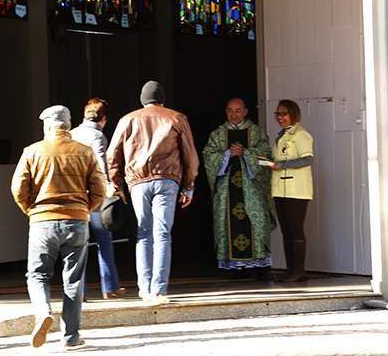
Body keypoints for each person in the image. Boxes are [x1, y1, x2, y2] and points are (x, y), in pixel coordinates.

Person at [11, 105, 106, 350]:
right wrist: (85, 208)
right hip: (77, 221)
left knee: (37, 275)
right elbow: (99, 188)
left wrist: (31, 210)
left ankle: (43, 311)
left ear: (47, 126)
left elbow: (18, 188)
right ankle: (71, 337)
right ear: (67, 125)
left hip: (43, 221)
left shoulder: (32, 151)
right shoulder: (84, 152)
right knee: (73, 280)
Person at [107, 80, 199, 304]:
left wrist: (117, 184)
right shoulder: (176, 118)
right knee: (163, 233)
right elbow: (191, 156)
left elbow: (112, 155)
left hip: (137, 182)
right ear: (163, 99)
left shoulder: (128, 119)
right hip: (167, 180)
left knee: (143, 233)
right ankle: (159, 290)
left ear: (142, 99)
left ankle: (144, 288)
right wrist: (188, 185)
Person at [202, 98, 276, 278]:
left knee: (256, 224)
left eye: (237, 110)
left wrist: (246, 153)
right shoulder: (218, 134)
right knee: (228, 223)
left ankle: (258, 266)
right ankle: (233, 267)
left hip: (252, 189)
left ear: (245, 111)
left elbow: (267, 159)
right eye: (229, 110)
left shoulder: (256, 133)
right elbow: (208, 157)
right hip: (227, 190)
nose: (233, 114)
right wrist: (227, 154)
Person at [71, 98, 127, 300]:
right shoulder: (98, 136)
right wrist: (110, 188)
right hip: (94, 196)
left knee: (79, 244)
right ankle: (109, 287)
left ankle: (80, 291)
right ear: (103, 119)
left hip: (76, 195)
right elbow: (101, 164)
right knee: (104, 239)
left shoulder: (72, 134)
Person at [269, 100, 314, 283]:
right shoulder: (281, 135)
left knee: (295, 230)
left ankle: (298, 270)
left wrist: (283, 165)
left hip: (296, 190)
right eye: (278, 114)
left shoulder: (301, 135)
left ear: (293, 114)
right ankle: (291, 270)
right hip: (281, 188)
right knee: (286, 230)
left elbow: (307, 159)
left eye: (284, 113)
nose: (280, 117)